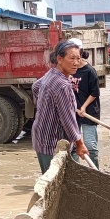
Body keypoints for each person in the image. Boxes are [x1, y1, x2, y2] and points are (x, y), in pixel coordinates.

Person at [31, 39, 90, 173]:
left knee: (50, 183)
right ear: (60, 59)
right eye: (72, 58)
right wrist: (80, 144)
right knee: (56, 188)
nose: (76, 63)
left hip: (40, 137)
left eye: (78, 58)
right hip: (53, 144)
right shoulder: (63, 85)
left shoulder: (51, 74)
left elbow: (35, 87)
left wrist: (45, 105)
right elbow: (68, 120)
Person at [73, 44, 101, 168]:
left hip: (88, 112)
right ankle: (76, 174)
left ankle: (96, 175)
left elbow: (95, 93)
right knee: (73, 146)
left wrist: (83, 107)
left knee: (90, 146)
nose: (74, 61)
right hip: (73, 113)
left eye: (76, 57)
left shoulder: (89, 71)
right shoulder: (69, 71)